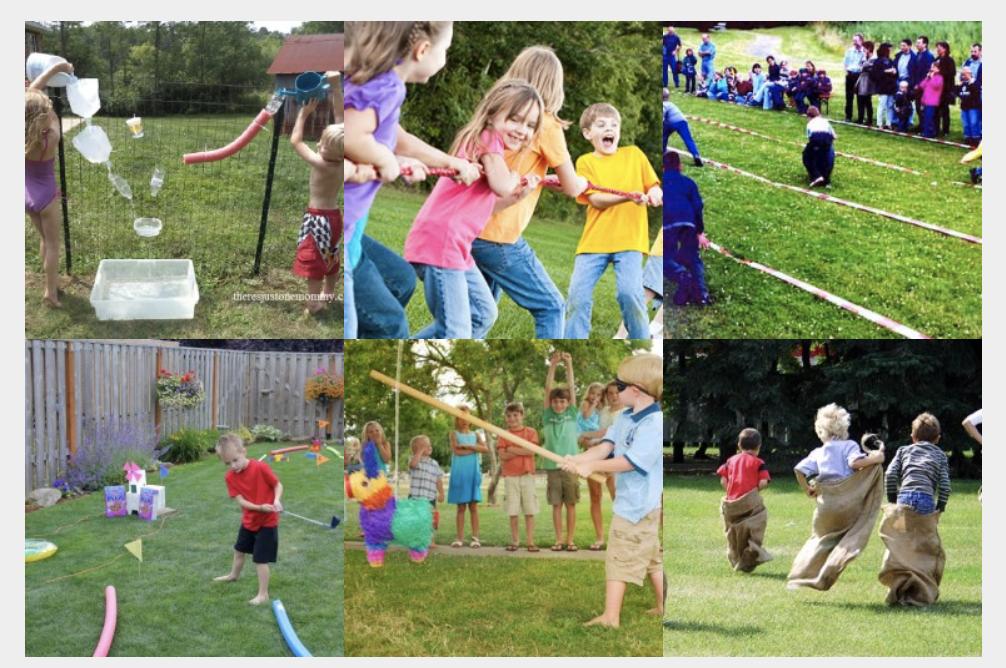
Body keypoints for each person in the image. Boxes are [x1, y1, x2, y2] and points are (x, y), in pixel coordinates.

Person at [344, 21, 480, 339]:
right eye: (445, 50)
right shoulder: (388, 85)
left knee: (401, 281)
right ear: (423, 50)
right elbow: (351, 134)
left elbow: (390, 137)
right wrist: (383, 159)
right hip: (343, 234)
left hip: (352, 231)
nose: (445, 59)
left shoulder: (377, 80)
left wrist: (416, 160)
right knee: (387, 327)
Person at [404, 80, 543, 338]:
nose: (522, 130)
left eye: (530, 124)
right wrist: (513, 177)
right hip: (441, 243)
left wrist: (517, 197)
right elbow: (502, 185)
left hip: (456, 246)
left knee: (482, 314)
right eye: (515, 119)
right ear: (492, 115)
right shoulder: (487, 139)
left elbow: (482, 206)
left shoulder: (493, 147)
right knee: (455, 330)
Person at [472, 47, 588, 339]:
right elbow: (573, 187)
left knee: (478, 317)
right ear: (554, 85)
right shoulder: (546, 124)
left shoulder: (499, 115)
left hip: (473, 226)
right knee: (550, 306)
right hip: (499, 235)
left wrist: (544, 177)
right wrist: (583, 182)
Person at [561, 353, 663, 627]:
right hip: (633, 503)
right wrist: (578, 459)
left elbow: (631, 462)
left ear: (636, 390)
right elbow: (606, 446)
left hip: (638, 507)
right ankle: (663, 605)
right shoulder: (625, 418)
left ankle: (610, 617)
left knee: (618, 556)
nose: (614, 391)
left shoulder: (654, 424)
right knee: (651, 556)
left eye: (619, 384)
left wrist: (592, 466)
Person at [564, 103, 662, 339]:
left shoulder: (634, 155)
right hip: (594, 243)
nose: (609, 129)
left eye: (614, 125)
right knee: (577, 295)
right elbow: (596, 199)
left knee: (630, 294)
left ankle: (639, 340)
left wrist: (656, 195)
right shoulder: (585, 162)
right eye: (601, 125)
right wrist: (628, 197)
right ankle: (574, 341)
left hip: (630, 241)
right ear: (588, 134)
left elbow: (654, 186)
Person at [25, 59, 74, 309]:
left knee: (44, 238)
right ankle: (50, 291)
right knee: (54, 244)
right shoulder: (52, 136)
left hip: (26, 195)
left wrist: (52, 71)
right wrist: (59, 69)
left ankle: (49, 282)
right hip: (46, 196)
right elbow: (44, 104)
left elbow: (31, 93)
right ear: (45, 116)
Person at [213, 433, 283, 605]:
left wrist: (275, 500)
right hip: (249, 521)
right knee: (239, 550)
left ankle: (263, 594)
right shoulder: (230, 477)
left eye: (235, 460)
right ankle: (233, 575)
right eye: (227, 463)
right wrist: (259, 507)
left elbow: (277, 485)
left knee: (260, 559)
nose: (233, 466)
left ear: (244, 452)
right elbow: (242, 501)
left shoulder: (260, 468)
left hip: (267, 523)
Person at [290, 97, 343, 315]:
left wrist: (303, 115)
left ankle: (313, 303)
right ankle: (328, 292)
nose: (318, 145)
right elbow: (341, 120)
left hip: (317, 219)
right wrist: (336, 89)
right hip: (335, 218)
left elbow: (296, 141)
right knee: (331, 254)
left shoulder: (322, 164)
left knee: (313, 259)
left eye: (323, 145)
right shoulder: (345, 161)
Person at [717, 428, 773, 572]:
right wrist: (751, 494)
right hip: (749, 503)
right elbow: (763, 483)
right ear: (759, 447)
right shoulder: (758, 462)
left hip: (731, 504)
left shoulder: (731, 461)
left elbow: (723, 480)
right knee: (755, 526)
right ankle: (751, 551)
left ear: (739, 446)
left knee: (733, 532)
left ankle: (735, 557)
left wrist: (732, 491)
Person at [543, 352, 580, 550]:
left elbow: (571, 388)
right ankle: (559, 540)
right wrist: (552, 365)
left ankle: (570, 540)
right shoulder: (548, 415)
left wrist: (568, 364)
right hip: (552, 465)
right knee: (556, 504)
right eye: (556, 401)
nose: (559, 404)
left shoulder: (572, 414)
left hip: (571, 465)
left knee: (571, 504)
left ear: (567, 403)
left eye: (562, 402)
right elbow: (548, 388)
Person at [663, 151, 709, 306]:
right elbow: (698, 206)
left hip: (667, 222)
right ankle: (701, 295)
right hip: (688, 222)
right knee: (693, 257)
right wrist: (699, 231)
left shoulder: (661, 182)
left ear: (663, 168)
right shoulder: (689, 182)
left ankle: (681, 275)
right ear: (680, 167)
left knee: (664, 257)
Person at [885, 413, 951, 516]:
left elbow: (890, 474)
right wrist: (940, 508)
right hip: (926, 499)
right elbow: (945, 485)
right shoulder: (940, 455)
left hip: (904, 498)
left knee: (902, 532)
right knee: (925, 532)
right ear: (937, 439)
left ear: (913, 437)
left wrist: (892, 501)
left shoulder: (903, 451)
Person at [497, 402, 541, 552]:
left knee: (529, 510)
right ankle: (515, 541)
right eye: (509, 416)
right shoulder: (503, 434)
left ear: (522, 415)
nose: (512, 418)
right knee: (513, 510)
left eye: (515, 415)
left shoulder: (530, 432)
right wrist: (521, 449)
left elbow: (531, 451)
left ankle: (530, 541)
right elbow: (502, 455)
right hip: (510, 477)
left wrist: (512, 449)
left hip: (527, 475)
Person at [447, 406, 489, 548]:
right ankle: (459, 538)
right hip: (460, 473)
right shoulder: (454, 434)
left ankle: (475, 538)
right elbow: (457, 452)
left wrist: (467, 446)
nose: (464, 420)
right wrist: (474, 449)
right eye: (461, 417)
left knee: (473, 506)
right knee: (460, 507)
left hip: (472, 473)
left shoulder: (476, 434)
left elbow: (485, 449)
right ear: (456, 419)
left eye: (467, 417)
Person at [408, 435, 444, 548]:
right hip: (415, 497)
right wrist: (419, 452)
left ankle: (430, 540)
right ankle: (415, 539)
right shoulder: (413, 459)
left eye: (429, 444)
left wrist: (441, 493)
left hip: (430, 498)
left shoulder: (434, 464)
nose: (429, 446)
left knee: (430, 520)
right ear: (416, 449)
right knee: (415, 520)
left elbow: (438, 479)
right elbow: (412, 465)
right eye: (424, 445)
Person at [663, 89, 702, 166]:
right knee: (688, 140)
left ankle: (663, 154)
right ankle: (696, 156)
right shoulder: (671, 104)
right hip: (682, 121)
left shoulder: (664, 104)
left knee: (663, 137)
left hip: (671, 123)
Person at [911, 36, 935, 132]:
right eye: (916, 43)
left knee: (923, 108)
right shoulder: (918, 54)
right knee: (918, 107)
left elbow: (928, 73)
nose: (917, 44)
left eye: (919, 43)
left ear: (925, 44)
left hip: (924, 87)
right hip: (917, 84)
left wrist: (921, 84)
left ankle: (926, 127)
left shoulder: (928, 56)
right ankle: (921, 124)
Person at [873, 43, 899, 130]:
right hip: (882, 86)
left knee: (890, 105)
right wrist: (886, 71)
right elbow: (875, 74)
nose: (890, 51)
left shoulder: (890, 60)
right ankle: (879, 123)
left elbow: (896, 73)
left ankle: (889, 123)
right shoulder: (878, 61)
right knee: (882, 105)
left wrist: (895, 72)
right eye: (889, 49)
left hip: (891, 87)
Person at [934, 41, 957, 138]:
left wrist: (939, 71)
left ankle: (945, 130)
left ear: (944, 49)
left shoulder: (949, 60)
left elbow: (952, 73)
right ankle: (936, 128)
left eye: (939, 48)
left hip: (946, 89)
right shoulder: (937, 59)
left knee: (944, 110)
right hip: (936, 88)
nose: (937, 50)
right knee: (936, 109)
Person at [843, 33, 867, 122]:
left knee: (860, 97)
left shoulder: (864, 52)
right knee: (849, 97)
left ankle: (861, 118)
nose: (854, 42)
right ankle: (848, 116)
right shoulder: (849, 51)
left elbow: (865, 64)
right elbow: (845, 63)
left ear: (861, 41)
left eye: (856, 41)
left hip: (859, 76)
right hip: (850, 75)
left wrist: (864, 55)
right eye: (853, 40)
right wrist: (846, 72)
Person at [957, 66, 982, 147]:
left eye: (964, 75)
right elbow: (958, 93)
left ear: (970, 74)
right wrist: (958, 86)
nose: (963, 77)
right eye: (962, 75)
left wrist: (965, 94)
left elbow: (974, 95)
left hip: (973, 107)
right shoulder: (963, 84)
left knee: (973, 122)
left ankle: (975, 137)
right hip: (964, 107)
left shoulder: (976, 83)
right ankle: (967, 137)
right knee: (966, 123)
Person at [918, 63, 944, 138]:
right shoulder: (929, 77)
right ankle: (926, 131)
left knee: (929, 117)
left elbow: (936, 86)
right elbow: (922, 85)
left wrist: (932, 77)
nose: (931, 68)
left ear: (938, 69)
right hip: (925, 100)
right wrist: (927, 78)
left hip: (932, 101)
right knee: (925, 117)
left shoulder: (939, 78)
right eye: (931, 67)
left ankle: (931, 132)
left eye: (934, 67)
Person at [855, 41, 877, 126]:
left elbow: (864, 66)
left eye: (864, 49)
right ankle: (860, 118)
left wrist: (864, 59)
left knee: (867, 101)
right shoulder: (865, 58)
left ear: (869, 49)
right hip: (862, 81)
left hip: (868, 82)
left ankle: (869, 119)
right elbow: (860, 66)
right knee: (860, 100)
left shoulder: (873, 58)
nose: (863, 50)